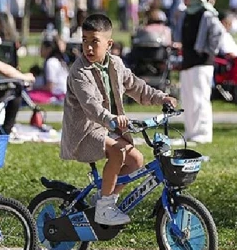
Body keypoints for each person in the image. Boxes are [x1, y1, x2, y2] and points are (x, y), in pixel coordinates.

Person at [60, 13, 177, 225]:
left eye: (94, 41)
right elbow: (91, 106)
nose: (88, 47)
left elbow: (136, 86)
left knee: (136, 160)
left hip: (108, 128)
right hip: (84, 132)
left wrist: (162, 97)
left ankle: (107, 198)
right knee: (118, 150)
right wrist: (112, 118)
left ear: (109, 44)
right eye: (84, 40)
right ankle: (104, 208)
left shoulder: (115, 64)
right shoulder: (79, 71)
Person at [177, 0, 223, 144]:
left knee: (200, 98)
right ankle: (190, 131)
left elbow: (218, 35)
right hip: (188, 61)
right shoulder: (187, 14)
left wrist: (207, 51)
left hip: (202, 63)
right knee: (188, 98)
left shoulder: (207, 14)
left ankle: (203, 133)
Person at [28, 37, 69, 104]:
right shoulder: (57, 60)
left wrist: (34, 87)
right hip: (62, 93)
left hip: (58, 95)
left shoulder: (51, 62)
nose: (40, 50)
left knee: (27, 95)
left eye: (42, 48)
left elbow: (50, 87)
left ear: (49, 49)